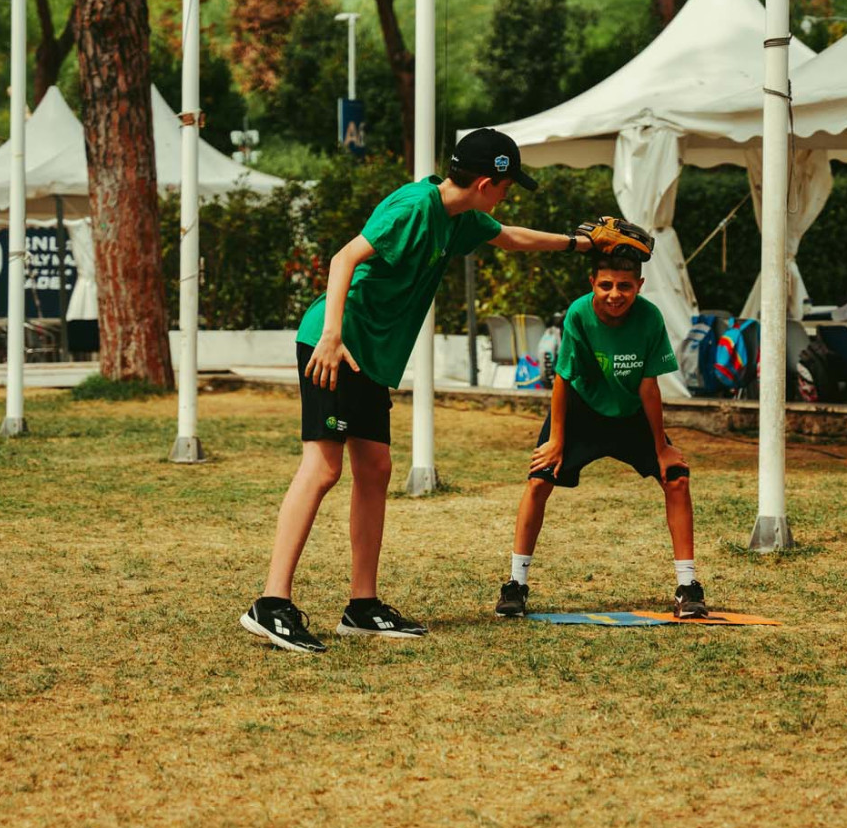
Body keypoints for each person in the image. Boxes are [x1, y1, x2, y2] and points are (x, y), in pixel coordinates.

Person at [241, 128, 592, 653]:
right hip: (335, 344)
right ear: (485, 183)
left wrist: (581, 244)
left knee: (375, 469)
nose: (507, 195)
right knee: (323, 468)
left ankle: (362, 606)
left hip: (372, 358)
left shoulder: (461, 218)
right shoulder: (413, 207)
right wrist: (332, 335)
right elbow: (343, 259)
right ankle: (271, 603)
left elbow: (511, 237)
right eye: (506, 185)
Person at [495, 245, 708, 620]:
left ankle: (688, 587)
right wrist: (556, 440)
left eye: (624, 286)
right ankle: (515, 585)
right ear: (592, 282)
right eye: (606, 285)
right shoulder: (578, 314)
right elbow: (563, 377)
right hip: (582, 411)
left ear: (639, 285)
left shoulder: (650, 318)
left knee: (676, 478)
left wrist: (661, 446)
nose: (615, 294)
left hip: (630, 413)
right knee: (539, 480)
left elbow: (649, 387)